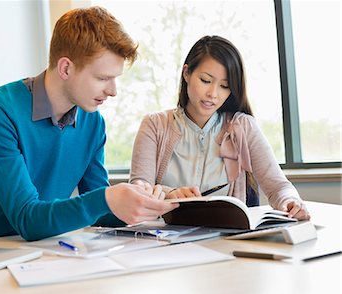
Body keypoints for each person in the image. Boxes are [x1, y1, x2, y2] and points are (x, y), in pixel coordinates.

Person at [0, 7, 178, 242]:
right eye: (102, 78)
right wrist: (107, 198)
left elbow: (100, 212)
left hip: (41, 248)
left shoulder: (92, 122)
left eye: (115, 79)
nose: (113, 91)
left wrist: (158, 203)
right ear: (66, 68)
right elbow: (27, 219)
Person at [130, 35, 310, 220]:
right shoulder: (155, 125)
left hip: (225, 239)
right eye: (206, 80)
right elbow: (139, 188)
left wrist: (291, 201)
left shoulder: (243, 126)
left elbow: (278, 187)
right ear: (186, 73)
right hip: (163, 240)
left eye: (225, 86)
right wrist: (170, 194)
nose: (213, 94)